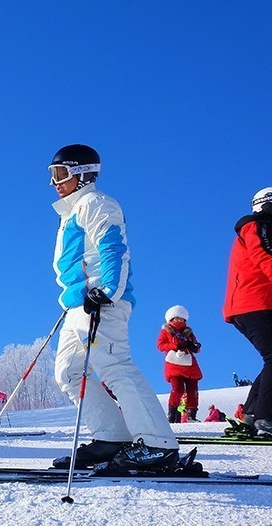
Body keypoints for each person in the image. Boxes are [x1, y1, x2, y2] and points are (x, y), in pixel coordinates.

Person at [47, 144, 179, 470]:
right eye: (52, 175)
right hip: (78, 305)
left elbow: (113, 247)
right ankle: (111, 437)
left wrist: (106, 291)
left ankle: (157, 444)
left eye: (60, 174)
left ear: (82, 174)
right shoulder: (71, 213)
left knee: (115, 367)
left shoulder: (95, 203)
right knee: (68, 372)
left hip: (102, 302)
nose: (54, 182)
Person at [223, 187, 272, 435]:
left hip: (261, 302)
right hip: (254, 302)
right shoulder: (258, 225)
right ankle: (267, 418)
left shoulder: (265, 226)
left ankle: (254, 415)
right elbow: (265, 256)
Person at [156, 305, 203, 423]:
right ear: (171, 319)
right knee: (177, 389)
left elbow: (196, 348)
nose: (180, 321)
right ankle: (172, 414)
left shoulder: (188, 333)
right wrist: (176, 346)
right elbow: (160, 346)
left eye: (182, 319)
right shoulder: (166, 331)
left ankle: (192, 415)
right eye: (177, 318)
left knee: (193, 390)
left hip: (190, 364)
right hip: (174, 364)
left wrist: (195, 346)